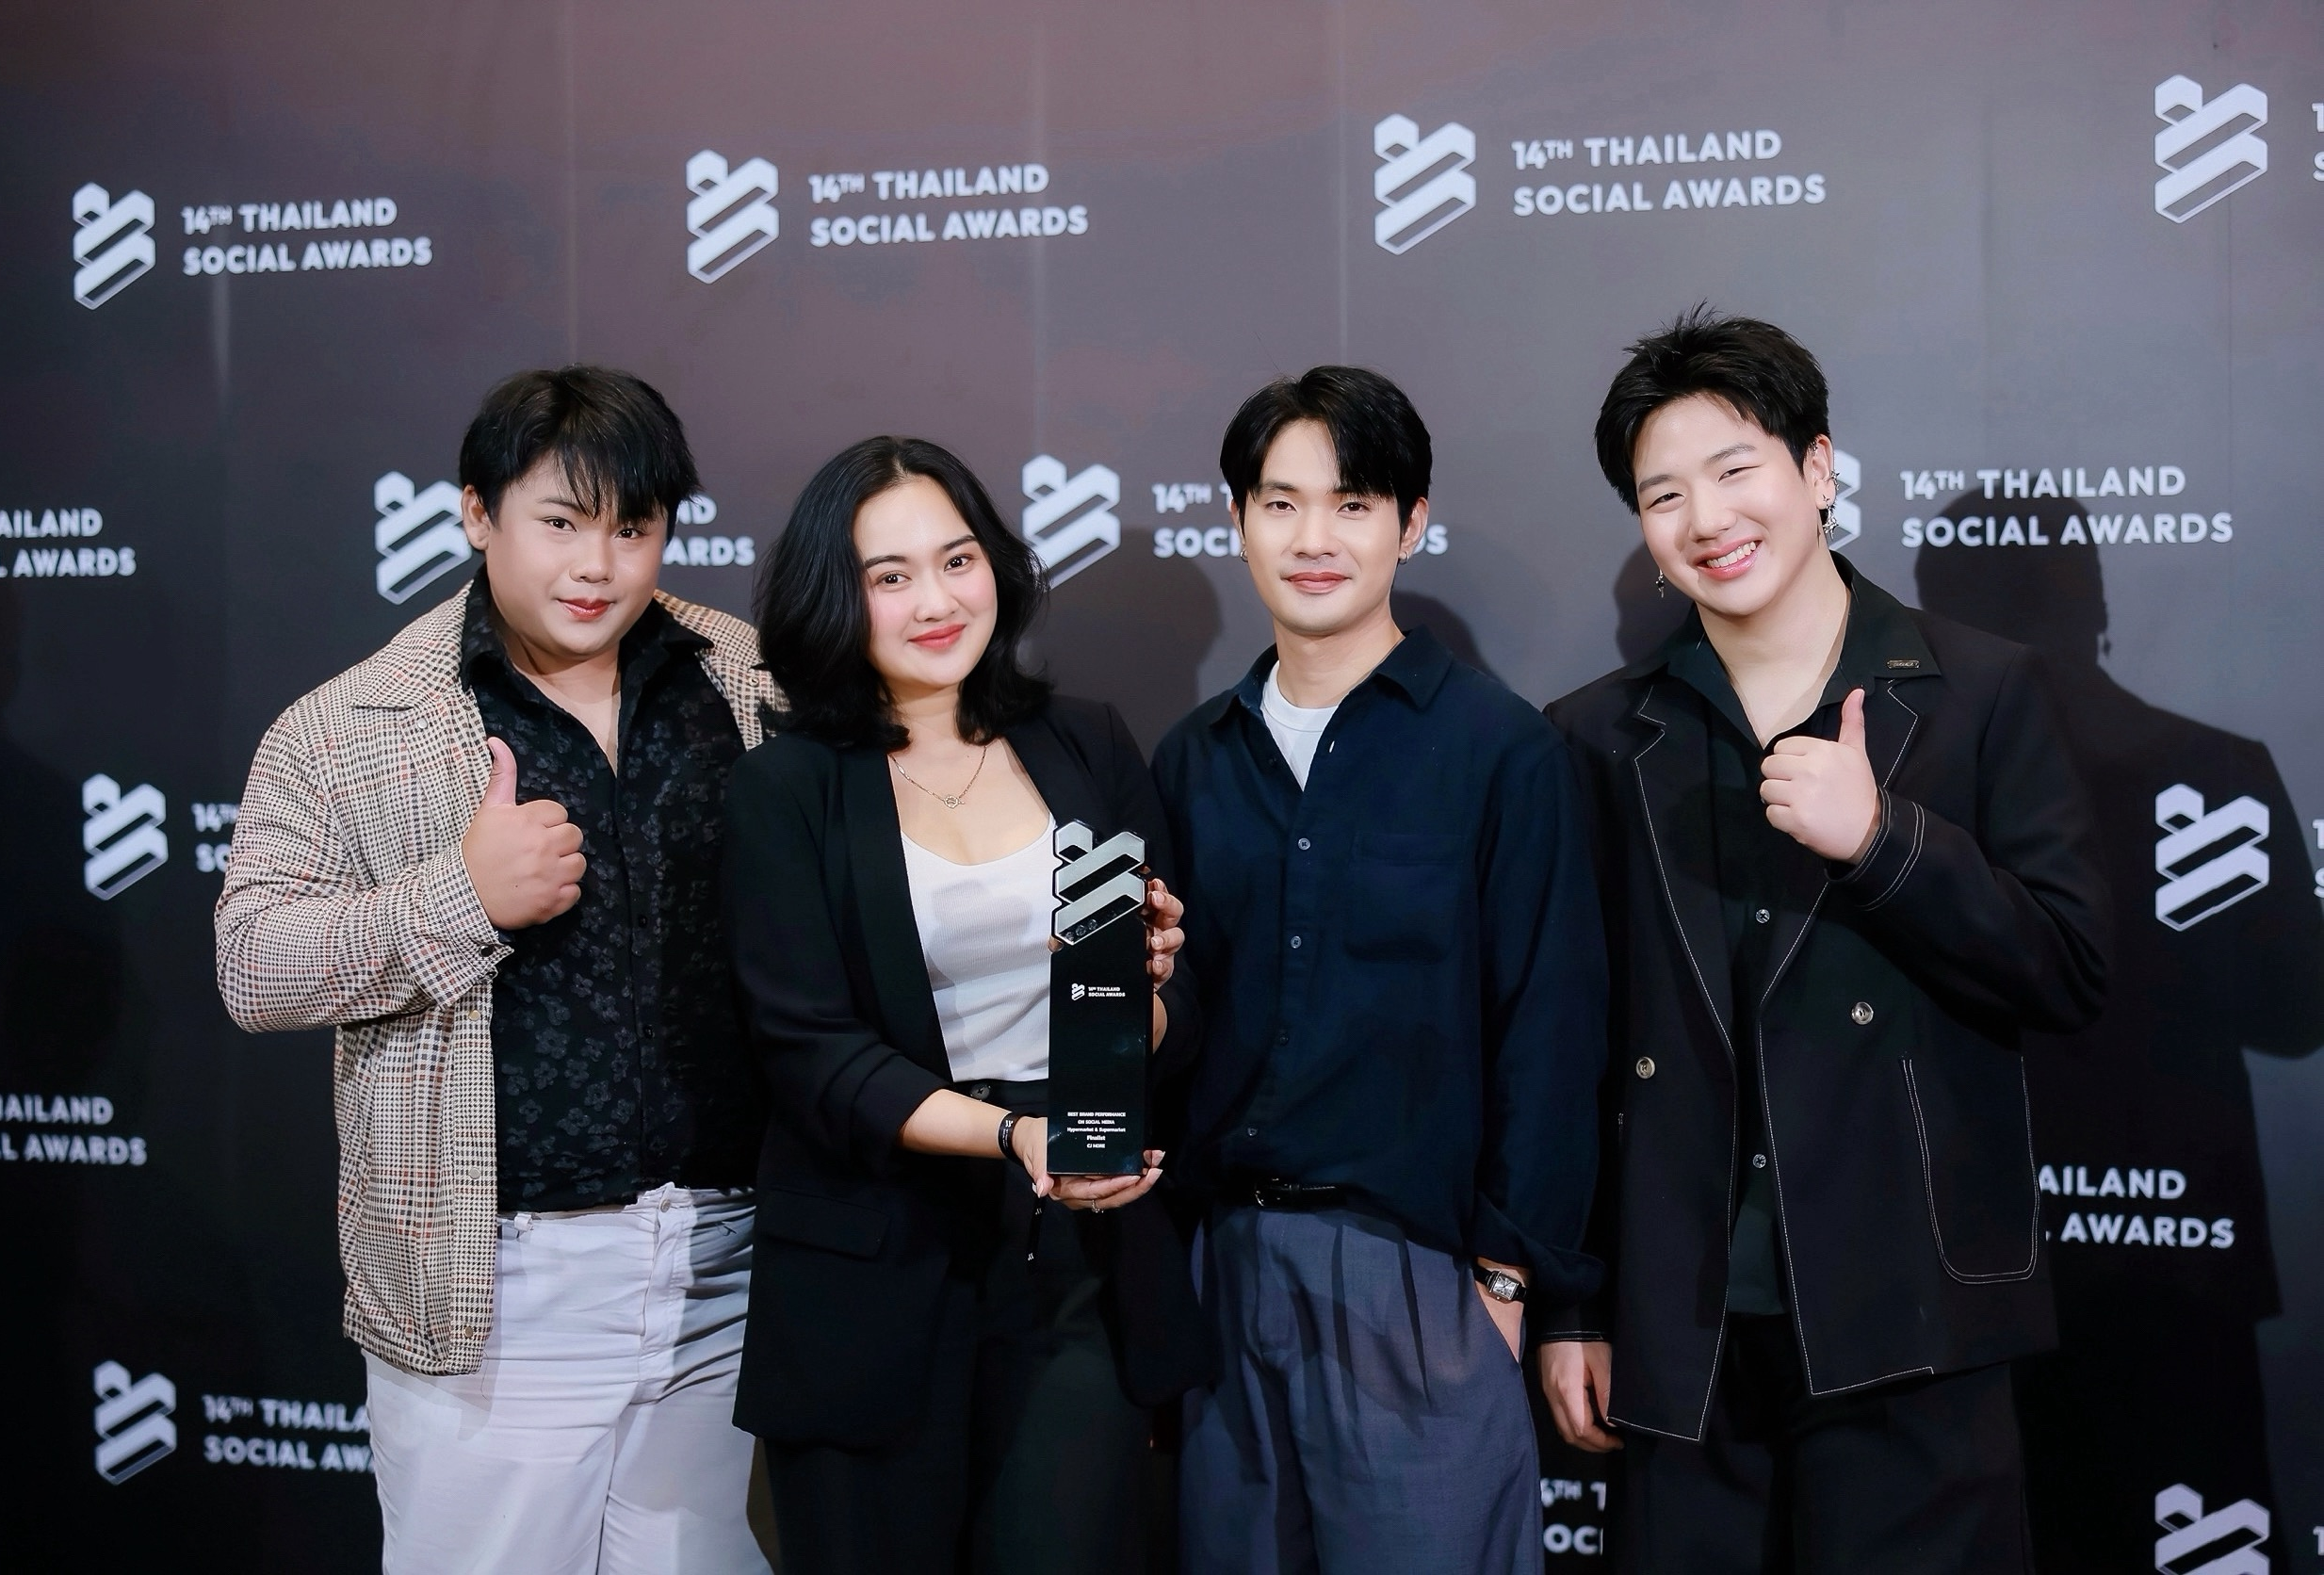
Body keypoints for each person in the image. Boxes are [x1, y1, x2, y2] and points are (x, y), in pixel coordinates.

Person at [1539, 309, 2110, 1572]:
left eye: (1736, 469)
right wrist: (1574, 1301)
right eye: (1663, 495)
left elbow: (2069, 971)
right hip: (1684, 1324)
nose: (1707, 519)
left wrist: (1884, 843)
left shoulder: (1979, 692)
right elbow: (1569, 1042)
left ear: (1817, 468)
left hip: (1913, 1313)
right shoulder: (1593, 737)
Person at [216, 367, 776, 1574]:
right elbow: (254, 965)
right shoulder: (350, 725)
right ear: (477, 514)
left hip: (730, 1273)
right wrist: (460, 898)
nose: (598, 566)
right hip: (497, 1289)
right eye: (560, 523)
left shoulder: (750, 679)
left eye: (633, 528)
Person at [721, 436, 1207, 1575]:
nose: (936, 601)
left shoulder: (1085, 740)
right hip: (867, 1270)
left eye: (957, 559)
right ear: (834, 596)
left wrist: (1145, 994)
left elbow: (1170, 1021)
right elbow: (811, 1053)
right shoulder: (785, 785)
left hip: (1074, 1252)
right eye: (889, 576)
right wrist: (1013, 1134)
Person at [1152, 366, 1610, 1575]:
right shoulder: (1191, 759)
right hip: (1222, 1272)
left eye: (1352, 504)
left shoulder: (1500, 748)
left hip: (1420, 1278)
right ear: (1237, 521)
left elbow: (1551, 1031)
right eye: (1281, 503)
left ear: (1411, 524)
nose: (1314, 539)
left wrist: (1505, 1283)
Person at [1914, 518, 2324, 1574]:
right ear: (2096, 603)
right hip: (2172, 1269)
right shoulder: (2216, 768)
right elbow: (2296, 1018)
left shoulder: (1900, 799)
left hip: (1970, 1259)